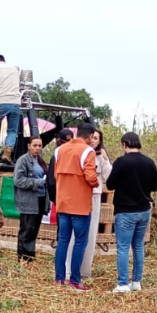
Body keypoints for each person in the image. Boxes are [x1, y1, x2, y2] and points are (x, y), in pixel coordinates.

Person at [106, 132, 157, 293]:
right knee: (138, 246)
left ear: (124, 144)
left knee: (122, 247)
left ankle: (122, 283)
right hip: (143, 210)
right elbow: (154, 187)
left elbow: (110, 185)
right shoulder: (149, 162)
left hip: (125, 211)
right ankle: (136, 281)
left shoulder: (121, 162)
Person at [53, 122, 100, 290]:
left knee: (63, 241)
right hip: (80, 205)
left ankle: (59, 278)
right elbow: (90, 177)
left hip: (63, 203)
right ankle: (74, 279)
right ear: (88, 137)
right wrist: (95, 182)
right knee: (80, 242)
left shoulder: (59, 150)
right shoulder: (88, 151)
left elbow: (55, 174)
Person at [69, 128, 111, 280]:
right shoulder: (78, 153)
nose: (93, 140)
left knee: (91, 234)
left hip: (94, 196)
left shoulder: (100, 157)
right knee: (75, 233)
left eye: (96, 138)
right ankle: (69, 270)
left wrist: (106, 160)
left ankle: (84, 271)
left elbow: (109, 177)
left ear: (100, 142)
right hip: (78, 195)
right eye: (91, 137)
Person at [13, 136, 48, 263]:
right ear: (29, 146)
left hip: (40, 199)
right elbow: (18, 180)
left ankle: (30, 256)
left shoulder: (39, 160)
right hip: (29, 200)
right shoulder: (23, 160)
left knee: (33, 229)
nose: (38, 148)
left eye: (40, 145)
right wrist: (38, 182)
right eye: (35, 145)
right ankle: (22, 257)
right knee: (26, 229)